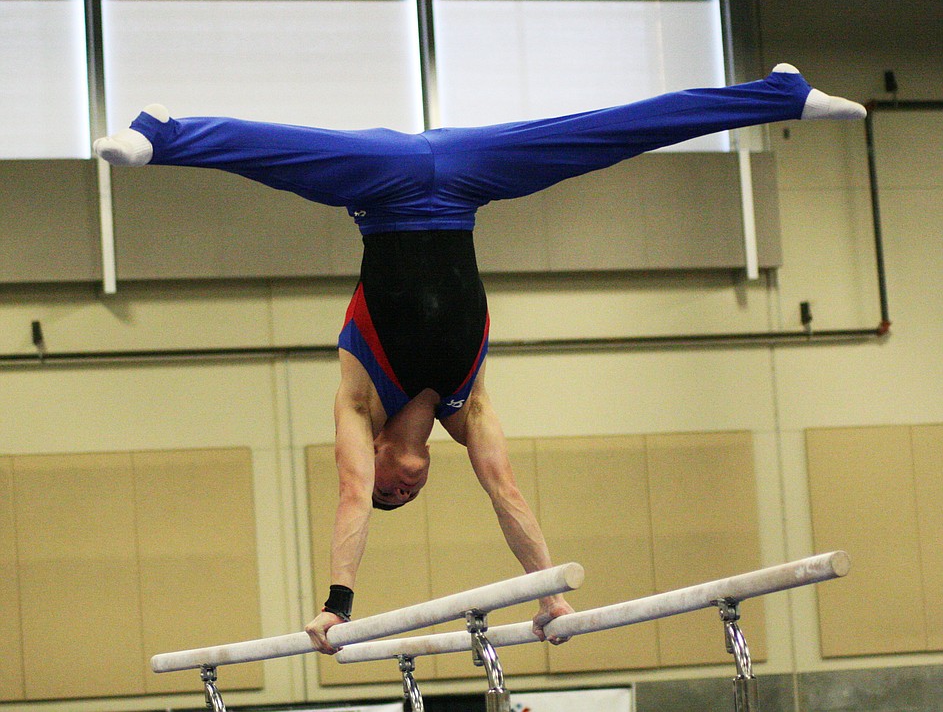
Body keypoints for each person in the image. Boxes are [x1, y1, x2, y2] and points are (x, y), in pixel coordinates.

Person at [94, 64, 865, 653]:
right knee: (603, 138)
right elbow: (508, 494)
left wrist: (339, 603)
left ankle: (164, 132)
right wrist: (547, 591)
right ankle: (776, 95)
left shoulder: (359, 406)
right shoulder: (471, 412)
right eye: (410, 494)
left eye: (400, 494)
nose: (410, 487)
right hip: (464, 183)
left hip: (383, 188)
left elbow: (348, 499)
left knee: (288, 158)